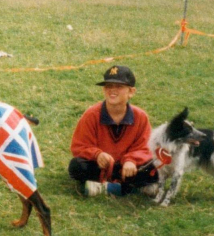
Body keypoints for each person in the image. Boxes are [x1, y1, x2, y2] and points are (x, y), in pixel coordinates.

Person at [68, 65, 159, 197]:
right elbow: (79, 145)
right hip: (101, 167)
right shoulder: (92, 114)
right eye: (108, 86)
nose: (113, 90)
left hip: (127, 168)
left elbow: (146, 148)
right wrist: (97, 154)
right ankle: (130, 189)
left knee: (155, 168)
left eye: (119, 87)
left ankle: (105, 188)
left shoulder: (140, 116)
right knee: (76, 166)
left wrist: (131, 160)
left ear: (131, 92)